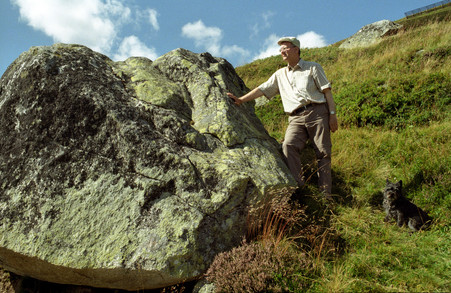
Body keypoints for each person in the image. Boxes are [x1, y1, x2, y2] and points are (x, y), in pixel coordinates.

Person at [227, 36, 338, 197]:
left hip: (318, 112)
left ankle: (325, 194)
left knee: (323, 153)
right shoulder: (279, 74)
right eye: (280, 50)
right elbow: (262, 89)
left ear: (296, 49)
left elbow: (327, 92)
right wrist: (241, 100)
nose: (282, 52)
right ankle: (300, 187)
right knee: (288, 146)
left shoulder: (313, 68)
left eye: (285, 48)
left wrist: (332, 115)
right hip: (295, 117)